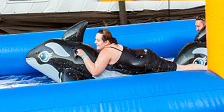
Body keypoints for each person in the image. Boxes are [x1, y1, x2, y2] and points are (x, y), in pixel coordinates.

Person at [76, 29, 206, 77]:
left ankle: (206, 67)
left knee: (179, 68)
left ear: (107, 42)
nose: (95, 42)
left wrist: (84, 55)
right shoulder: (114, 45)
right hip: (146, 56)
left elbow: (95, 71)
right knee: (172, 62)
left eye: (98, 40)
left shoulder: (106, 52)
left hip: (148, 62)